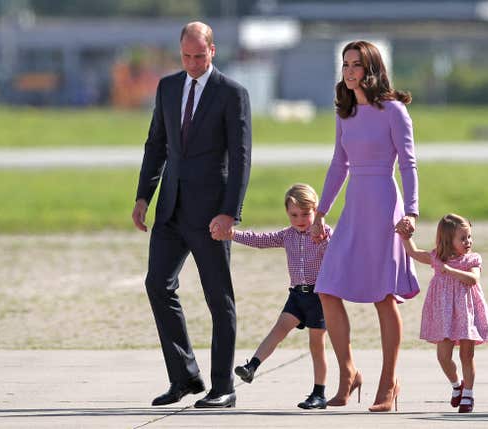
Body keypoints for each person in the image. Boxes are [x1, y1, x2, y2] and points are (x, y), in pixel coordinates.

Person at [131, 21, 251, 409]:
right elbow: (156, 144)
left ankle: (223, 388)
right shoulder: (167, 87)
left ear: (212, 51)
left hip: (211, 215)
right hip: (170, 209)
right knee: (157, 284)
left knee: (220, 299)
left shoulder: (232, 93)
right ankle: (184, 376)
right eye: (186, 56)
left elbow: (242, 157)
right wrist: (143, 196)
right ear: (179, 52)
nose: (193, 63)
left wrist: (230, 213)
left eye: (200, 56)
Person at [310, 40, 420, 412]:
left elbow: (408, 164)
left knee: (383, 297)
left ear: (371, 68)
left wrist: (413, 212)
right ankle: (348, 373)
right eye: (345, 64)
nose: (349, 70)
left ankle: (389, 383)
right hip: (354, 208)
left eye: (356, 64)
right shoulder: (345, 112)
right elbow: (338, 165)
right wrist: (321, 211)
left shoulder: (393, 110)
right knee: (327, 289)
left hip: (385, 208)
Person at [225, 183, 331, 409]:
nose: (300, 219)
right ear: (287, 213)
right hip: (297, 296)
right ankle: (252, 367)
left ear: (316, 211)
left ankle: (319, 393)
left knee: (316, 345)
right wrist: (232, 234)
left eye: (306, 214)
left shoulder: (324, 234)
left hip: (319, 297)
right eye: (294, 214)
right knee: (279, 330)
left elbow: (337, 258)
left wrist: (323, 242)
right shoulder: (287, 235)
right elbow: (261, 239)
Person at [396, 213, 488, 413]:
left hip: (466, 313)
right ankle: (457, 385)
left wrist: (448, 270)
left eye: (469, 237)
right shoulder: (436, 258)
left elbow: (473, 279)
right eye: (462, 238)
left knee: (467, 355)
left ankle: (468, 394)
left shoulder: (472, 259)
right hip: (444, 315)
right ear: (447, 240)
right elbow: (414, 253)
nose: (468, 242)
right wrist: (405, 237)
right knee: (443, 356)